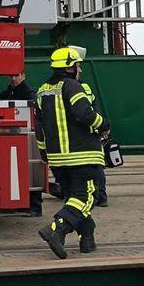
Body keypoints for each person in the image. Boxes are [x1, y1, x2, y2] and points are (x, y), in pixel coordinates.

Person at [34, 47, 110, 258]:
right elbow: (84, 113)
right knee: (87, 197)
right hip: (82, 154)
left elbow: (38, 128)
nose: (80, 70)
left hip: (57, 158)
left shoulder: (42, 91)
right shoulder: (73, 86)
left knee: (73, 198)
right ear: (69, 67)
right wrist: (103, 124)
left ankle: (87, 237)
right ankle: (57, 228)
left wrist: (44, 153)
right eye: (78, 66)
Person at [0, 72, 42, 217]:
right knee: (19, 171)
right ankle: (20, 205)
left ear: (24, 76)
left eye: (16, 76)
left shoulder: (28, 94)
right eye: (11, 76)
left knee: (30, 171)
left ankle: (35, 206)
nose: (13, 79)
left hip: (28, 136)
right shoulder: (9, 92)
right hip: (16, 136)